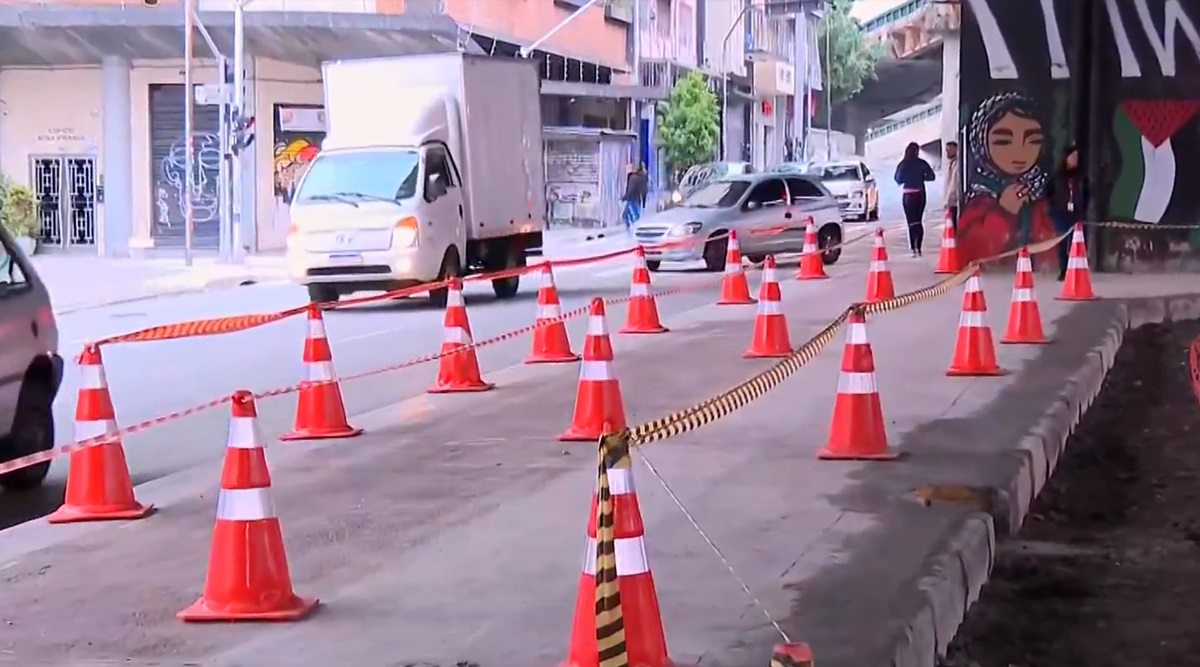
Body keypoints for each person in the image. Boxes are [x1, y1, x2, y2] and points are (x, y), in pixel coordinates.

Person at [1045, 144, 1087, 281]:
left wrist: (1083, 206)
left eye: (1077, 157)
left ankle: (1075, 269)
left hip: (1076, 212)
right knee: (1062, 241)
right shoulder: (1057, 176)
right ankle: (1064, 269)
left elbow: (1087, 192)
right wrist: (1054, 205)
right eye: (1072, 157)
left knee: (1076, 241)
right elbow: (1047, 192)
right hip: (1060, 212)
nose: (1075, 160)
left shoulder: (1081, 176)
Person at [894, 142, 936, 257]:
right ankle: (919, 247)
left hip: (908, 195)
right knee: (918, 221)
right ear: (917, 151)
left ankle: (913, 248)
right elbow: (932, 177)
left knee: (911, 222)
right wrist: (922, 177)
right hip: (920, 194)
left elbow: (898, 179)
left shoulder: (903, 164)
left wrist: (906, 179)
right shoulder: (922, 163)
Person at [621, 163, 648, 230]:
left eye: (628, 167)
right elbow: (644, 191)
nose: (626, 169)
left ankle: (631, 230)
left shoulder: (633, 178)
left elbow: (630, 190)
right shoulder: (642, 177)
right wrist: (644, 203)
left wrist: (624, 198)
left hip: (632, 200)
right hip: (638, 200)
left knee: (627, 216)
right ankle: (633, 229)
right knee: (634, 216)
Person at [944, 140, 961, 232]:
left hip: (953, 200)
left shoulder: (958, 164)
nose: (947, 153)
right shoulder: (949, 164)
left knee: (954, 225)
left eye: (949, 150)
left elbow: (954, 183)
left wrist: (948, 199)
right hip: (950, 200)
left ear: (956, 149)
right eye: (946, 150)